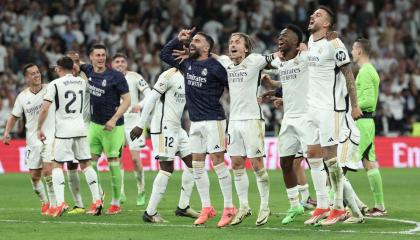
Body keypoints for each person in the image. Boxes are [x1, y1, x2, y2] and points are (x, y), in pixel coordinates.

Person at [160, 28, 236, 227]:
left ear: (207, 47)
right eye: (192, 40)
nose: (192, 43)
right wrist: (179, 38)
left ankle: (229, 208)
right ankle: (206, 207)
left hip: (214, 120)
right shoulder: (187, 63)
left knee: (218, 163)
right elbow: (164, 55)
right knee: (198, 166)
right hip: (195, 122)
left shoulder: (215, 66)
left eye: (197, 40)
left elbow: (233, 86)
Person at [303, 6, 362, 226]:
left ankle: (338, 207)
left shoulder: (334, 44)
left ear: (327, 24)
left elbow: (348, 75)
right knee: (312, 154)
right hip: (311, 108)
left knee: (331, 159)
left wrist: (354, 106)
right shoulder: (310, 42)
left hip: (330, 108)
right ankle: (323, 205)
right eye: (312, 14)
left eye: (318, 15)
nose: (312, 16)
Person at [212, 33, 274, 226]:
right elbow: (211, 55)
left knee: (256, 165)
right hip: (234, 122)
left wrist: (298, 50)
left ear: (246, 48)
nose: (233, 44)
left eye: (237, 42)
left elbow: (275, 57)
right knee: (237, 164)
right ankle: (244, 206)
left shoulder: (254, 61)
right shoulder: (226, 63)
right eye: (230, 42)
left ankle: (265, 206)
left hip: (252, 119)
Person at [131, 68, 199, 222]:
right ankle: (150, 212)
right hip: (163, 128)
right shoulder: (169, 75)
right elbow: (151, 99)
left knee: (193, 163)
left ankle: (183, 206)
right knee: (167, 167)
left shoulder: (190, 74)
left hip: (177, 127)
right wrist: (141, 124)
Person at [37, 56, 103, 217]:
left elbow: (45, 108)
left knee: (57, 164)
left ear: (59, 68)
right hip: (80, 127)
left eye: (56, 68)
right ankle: (97, 200)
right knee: (86, 163)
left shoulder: (54, 84)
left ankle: (59, 203)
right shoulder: (81, 82)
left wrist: (38, 127)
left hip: (64, 130)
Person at [78, 44, 131, 215]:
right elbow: (76, 63)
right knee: (88, 162)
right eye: (97, 55)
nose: (101, 58)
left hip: (113, 127)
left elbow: (127, 100)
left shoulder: (115, 76)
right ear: (91, 57)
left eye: (103, 55)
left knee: (113, 161)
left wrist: (114, 119)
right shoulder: (88, 70)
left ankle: (116, 202)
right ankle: (97, 198)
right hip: (95, 125)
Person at [2, 63, 56, 215]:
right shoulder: (22, 97)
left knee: (48, 171)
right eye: (32, 73)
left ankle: (54, 204)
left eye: (38, 72)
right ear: (26, 77)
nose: (37, 75)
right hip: (32, 140)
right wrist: (7, 132)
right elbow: (14, 117)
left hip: (49, 136)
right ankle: (45, 202)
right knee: (34, 176)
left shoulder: (50, 89)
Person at [351, 38, 386, 216]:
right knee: (369, 163)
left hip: (362, 123)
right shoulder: (368, 70)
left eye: (353, 49)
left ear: (359, 51)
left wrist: (351, 106)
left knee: (342, 163)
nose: (351, 53)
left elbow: (369, 101)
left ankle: (334, 206)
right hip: (365, 122)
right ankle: (379, 206)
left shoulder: (365, 71)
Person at [111, 53, 150, 206]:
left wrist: (139, 105)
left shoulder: (134, 76)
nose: (120, 64)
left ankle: (141, 190)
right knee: (118, 159)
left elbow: (149, 93)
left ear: (126, 64)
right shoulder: (109, 78)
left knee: (135, 159)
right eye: (117, 62)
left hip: (134, 122)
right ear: (112, 64)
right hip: (117, 122)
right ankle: (121, 193)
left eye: (122, 61)